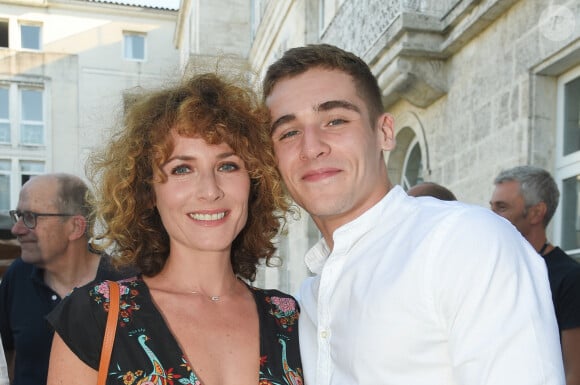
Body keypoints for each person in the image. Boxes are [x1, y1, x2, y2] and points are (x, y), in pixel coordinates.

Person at [263, 43, 564, 385]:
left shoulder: (464, 243)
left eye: (335, 120)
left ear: (384, 132)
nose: (312, 146)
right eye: (289, 132)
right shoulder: (309, 298)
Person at [46, 71, 303, 385]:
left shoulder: (290, 319)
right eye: (182, 168)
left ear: (255, 181)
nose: (210, 190)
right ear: (149, 192)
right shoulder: (95, 315)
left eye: (227, 165)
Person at [0, 173, 133, 385]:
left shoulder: (127, 287)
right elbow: (8, 353)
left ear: (75, 227)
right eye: (18, 216)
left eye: (30, 218)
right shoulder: (18, 276)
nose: (17, 229)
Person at [491, 165, 580, 385]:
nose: (490, 217)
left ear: (536, 213)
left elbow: (574, 372)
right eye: (491, 207)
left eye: (501, 208)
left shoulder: (570, 278)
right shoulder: (496, 270)